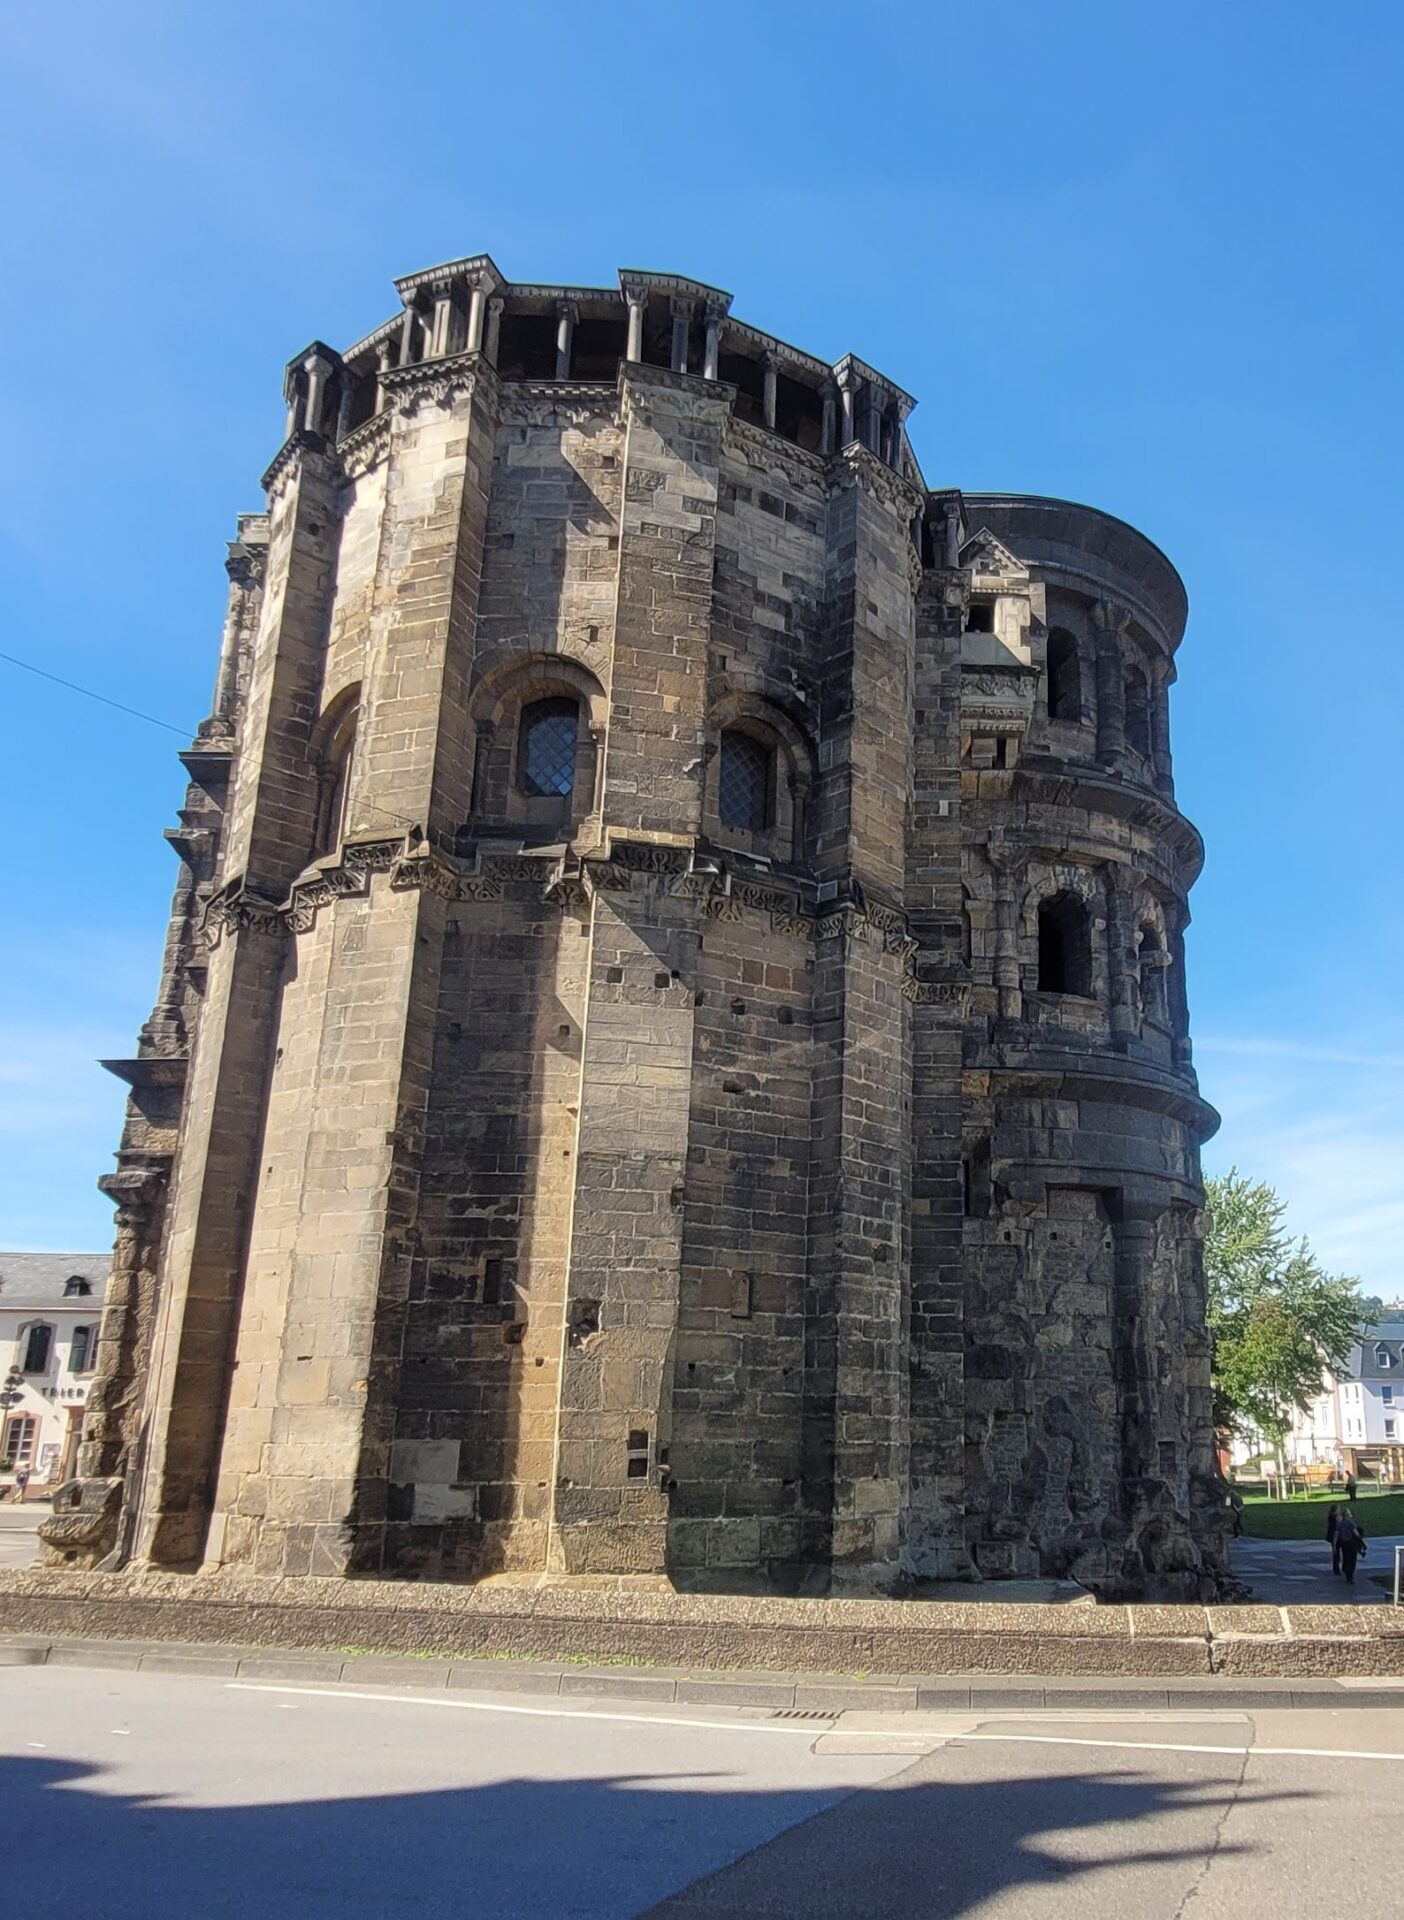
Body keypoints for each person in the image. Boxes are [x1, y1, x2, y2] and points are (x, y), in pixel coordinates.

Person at [1336, 1507, 1366, 1586]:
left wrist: (1335, 1544)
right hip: (1351, 1544)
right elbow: (1356, 1533)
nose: (1351, 1515)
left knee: (1346, 1559)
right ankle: (1350, 1577)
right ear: (1347, 1515)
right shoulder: (1351, 1523)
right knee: (1352, 1561)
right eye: (1350, 1513)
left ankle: (1346, 1572)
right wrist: (1361, 1540)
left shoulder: (1340, 1523)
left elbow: (1336, 1534)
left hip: (1343, 1544)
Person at [1326, 1502, 1342, 1574]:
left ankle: (1336, 1568)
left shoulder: (1331, 1517)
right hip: (1335, 1536)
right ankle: (1336, 1569)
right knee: (1336, 1552)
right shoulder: (1335, 1517)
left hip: (1333, 1536)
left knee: (1336, 1552)